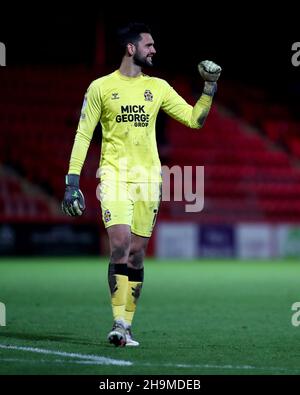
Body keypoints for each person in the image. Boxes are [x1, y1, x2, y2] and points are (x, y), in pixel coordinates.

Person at [61, 22, 221, 347]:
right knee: (119, 244)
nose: (154, 50)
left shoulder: (158, 88)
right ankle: (118, 322)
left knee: (136, 255)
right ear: (131, 48)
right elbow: (83, 134)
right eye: (149, 45)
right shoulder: (100, 88)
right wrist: (72, 181)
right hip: (114, 176)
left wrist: (209, 88)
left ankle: (127, 326)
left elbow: (194, 120)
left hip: (149, 180)